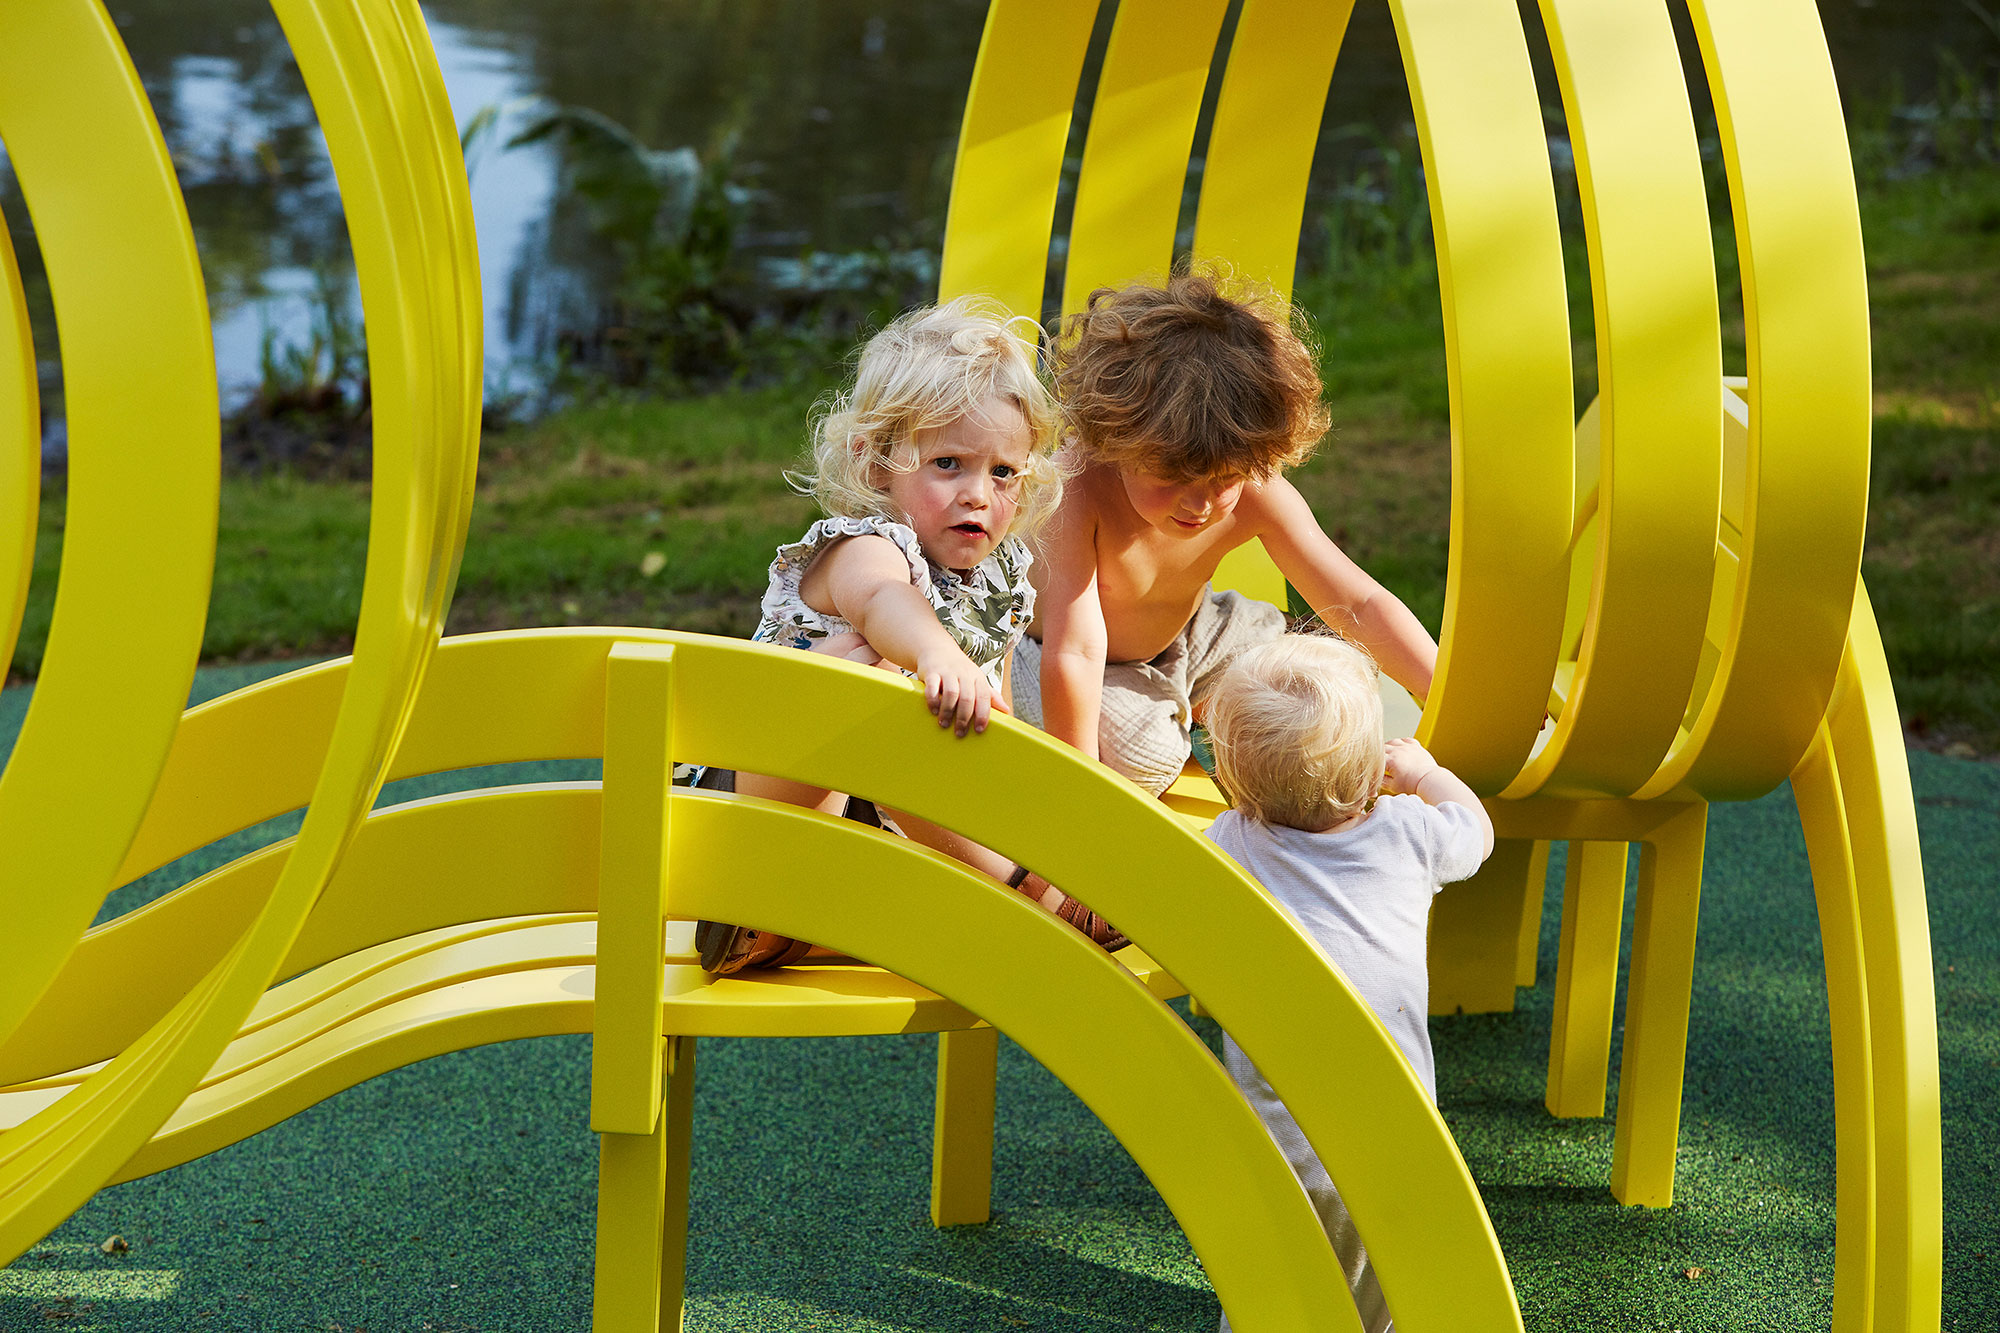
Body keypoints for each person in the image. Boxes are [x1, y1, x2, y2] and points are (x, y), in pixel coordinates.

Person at [697, 298, 1123, 974]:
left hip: (872, 837)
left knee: (950, 722)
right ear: (877, 464)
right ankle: (1028, 897)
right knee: (871, 681)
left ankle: (825, 907)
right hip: (742, 815)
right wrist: (932, 652)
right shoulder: (863, 547)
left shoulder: (999, 573)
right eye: (948, 463)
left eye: (1002, 472)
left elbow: (996, 700)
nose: (978, 494)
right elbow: (884, 601)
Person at [1016, 267, 1438, 800]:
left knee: (1321, 685)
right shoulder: (1076, 488)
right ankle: (1198, 718)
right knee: (1142, 759)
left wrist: (1444, 693)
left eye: (1225, 480)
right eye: (1173, 478)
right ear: (1113, 440)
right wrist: (1080, 793)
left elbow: (1355, 599)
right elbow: (1075, 650)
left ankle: (1206, 708)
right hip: (1051, 650)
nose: (1201, 504)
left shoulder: (1254, 480)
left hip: (1196, 632)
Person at [1201, 633, 1493, 1333]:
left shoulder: (1231, 843)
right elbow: (1476, 829)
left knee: (1277, 1291)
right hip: (1400, 1133)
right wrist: (1423, 773)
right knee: (1381, 1293)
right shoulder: (1408, 834)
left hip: (1279, 1146)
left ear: (1236, 783)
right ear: (1370, 776)